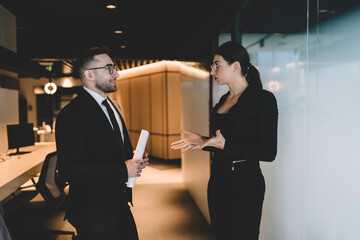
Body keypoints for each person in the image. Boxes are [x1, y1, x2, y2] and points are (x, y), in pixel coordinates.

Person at [171, 41, 278, 239]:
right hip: (219, 179)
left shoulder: (263, 99)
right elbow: (221, 142)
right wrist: (202, 140)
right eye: (212, 66)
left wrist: (226, 145)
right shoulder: (223, 100)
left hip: (245, 183)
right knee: (220, 234)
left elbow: (268, 152)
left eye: (217, 65)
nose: (212, 71)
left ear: (235, 66)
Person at [55, 46, 149, 240]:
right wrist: (123, 169)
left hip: (120, 205)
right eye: (109, 68)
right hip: (93, 214)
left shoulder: (114, 106)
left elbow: (111, 150)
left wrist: (134, 158)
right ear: (89, 74)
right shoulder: (72, 114)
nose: (117, 73)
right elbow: (69, 170)